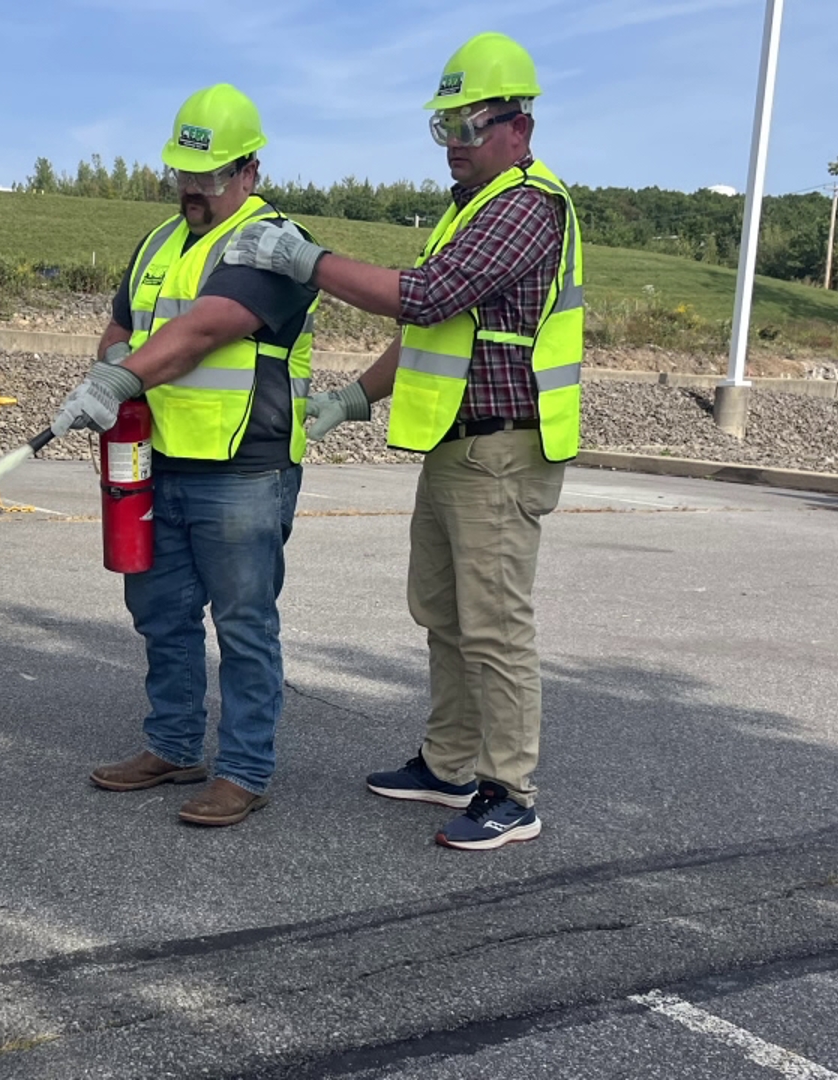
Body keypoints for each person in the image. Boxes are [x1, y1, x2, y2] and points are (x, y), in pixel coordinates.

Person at [221, 31, 583, 850]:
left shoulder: (527, 206)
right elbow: (433, 333)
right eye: (443, 129)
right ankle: (449, 761)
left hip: (502, 448)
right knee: (445, 613)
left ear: (518, 128)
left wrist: (305, 259)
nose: (454, 146)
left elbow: (421, 297)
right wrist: (353, 398)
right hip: (458, 446)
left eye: (468, 128)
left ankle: (510, 791)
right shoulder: (471, 209)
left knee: (494, 624)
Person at [51, 85, 321, 827]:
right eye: (183, 172)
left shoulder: (272, 244)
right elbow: (118, 327)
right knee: (160, 614)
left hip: (243, 469)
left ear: (250, 171)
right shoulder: (158, 242)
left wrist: (124, 371)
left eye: (210, 175)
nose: (193, 189)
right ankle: (172, 746)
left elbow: (207, 328)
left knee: (243, 624)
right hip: (156, 462)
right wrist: (112, 366)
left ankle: (244, 769)